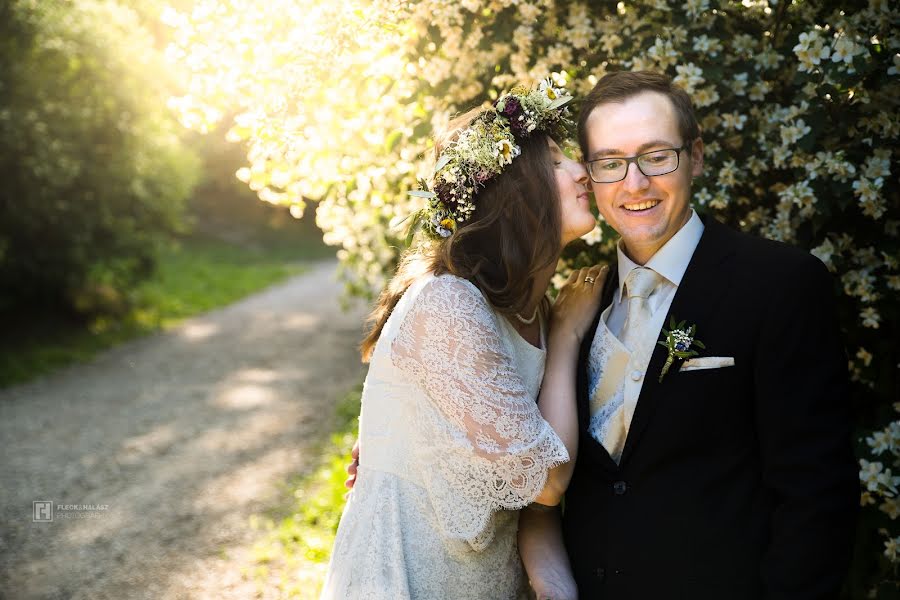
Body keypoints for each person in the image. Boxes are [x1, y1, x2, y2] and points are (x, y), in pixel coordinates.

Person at [518, 70, 859, 599]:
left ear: (695, 156)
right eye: (611, 163)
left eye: (656, 156)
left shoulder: (779, 284)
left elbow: (817, 497)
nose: (634, 184)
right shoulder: (572, 310)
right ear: (589, 175)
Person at [321, 79, 607, 599]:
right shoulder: (448, 303)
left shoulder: (534, 310)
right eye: (558, 161)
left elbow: (530, 502)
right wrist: (566, 338)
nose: (582, 171)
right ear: (517, 191)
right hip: (402, 579)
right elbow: (546, 482)